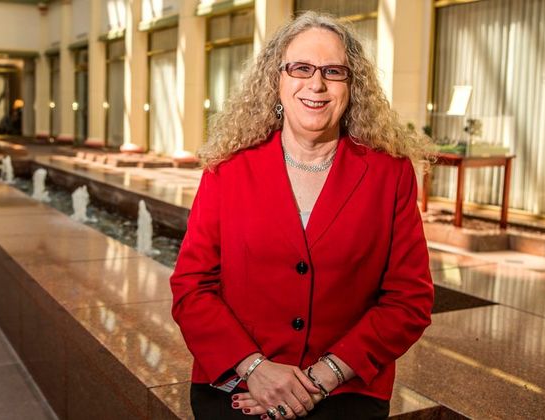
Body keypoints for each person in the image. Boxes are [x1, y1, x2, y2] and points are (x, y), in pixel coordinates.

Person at [170, 11, 434, 420]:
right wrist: (254, 368)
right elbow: (192, 286)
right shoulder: (227, 169)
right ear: (277, 80)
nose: (317, 84)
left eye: (334, 71)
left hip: (345, 391)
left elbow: (409, 300)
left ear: (353, 86)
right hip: (236, 387)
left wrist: (321, 377)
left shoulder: (390, 173)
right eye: (301, 68)